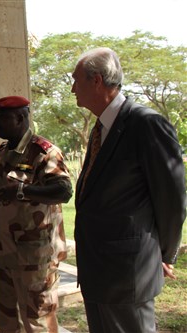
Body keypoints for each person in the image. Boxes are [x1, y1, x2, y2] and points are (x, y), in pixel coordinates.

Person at [71, 47, 186, 332]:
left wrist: (163, 255)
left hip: (127, 275)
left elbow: (172, 199)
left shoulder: (146, 124)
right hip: (99, 272)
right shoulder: (101, 128)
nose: (72, 88)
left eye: (75, 80)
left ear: (96, 80)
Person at [0, 96, 72, 333]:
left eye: (1, 117)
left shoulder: (44, 152)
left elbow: (63, 190)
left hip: (34, 257)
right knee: (6, 318)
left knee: (37, 321)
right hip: (4, 252)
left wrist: (22, 191)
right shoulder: (1, 152)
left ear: (20, 118)